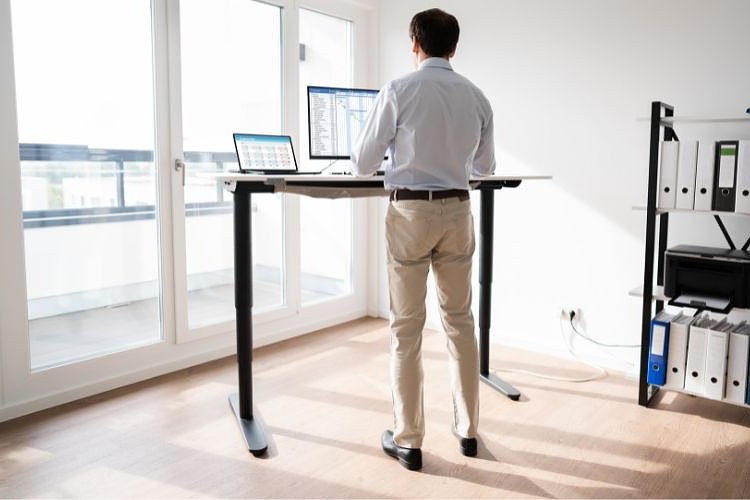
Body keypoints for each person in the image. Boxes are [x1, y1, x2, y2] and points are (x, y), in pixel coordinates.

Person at [351, 8, 496, 471]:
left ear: (415, 42)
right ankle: (468, 431)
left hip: (410, 212)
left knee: (406, 328)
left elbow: (362, 163)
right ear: (453, 47)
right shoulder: (477, 97)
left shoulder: (398, 90)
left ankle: (409, 440)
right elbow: (485, 170)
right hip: (457, 211)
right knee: (460, 322)